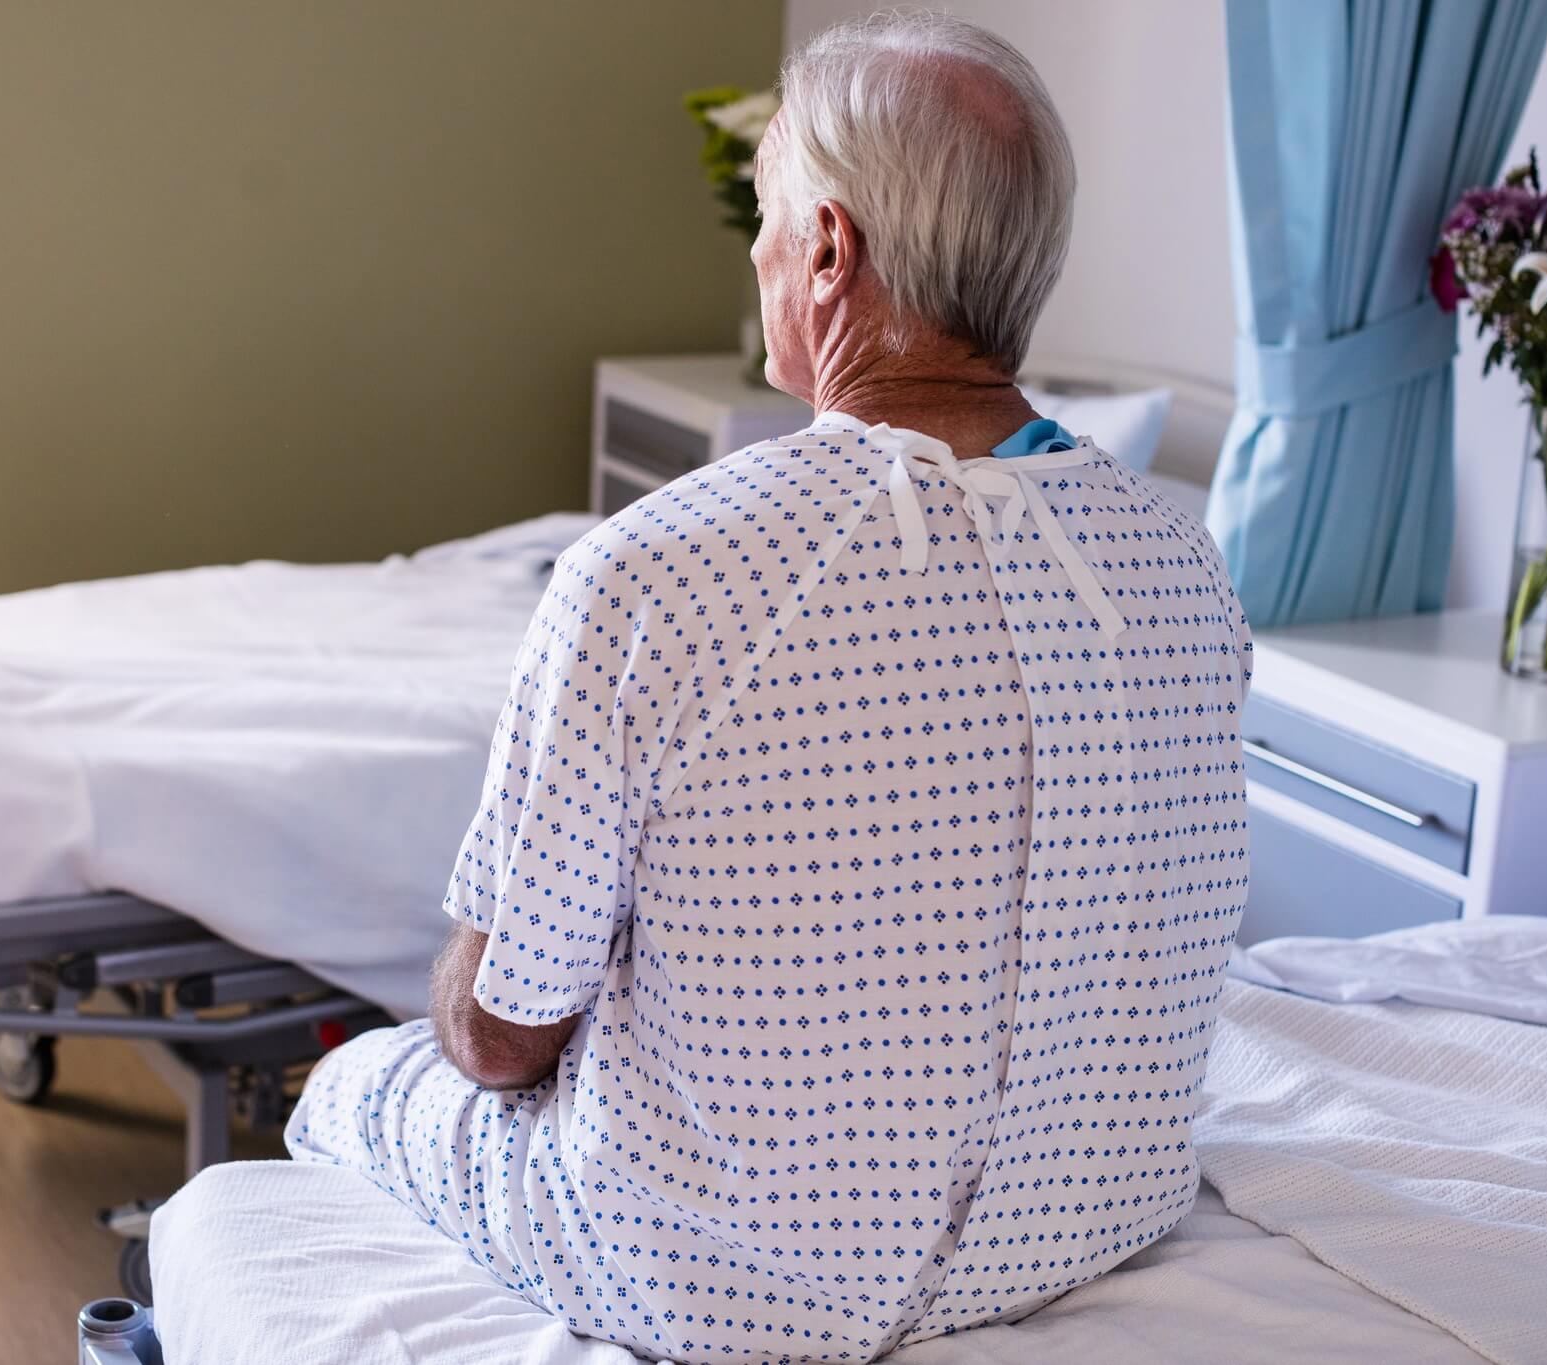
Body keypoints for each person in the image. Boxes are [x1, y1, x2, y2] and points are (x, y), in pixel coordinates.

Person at [243, 11, 1247, 1362]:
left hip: (718, 1287)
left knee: (360, 1078)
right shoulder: (1182, 563)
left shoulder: (654, 578)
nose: (763, 252)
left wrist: (458, 987)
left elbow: (500, 1041)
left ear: (830, 251)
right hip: (1083, 1226)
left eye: (769, 217)